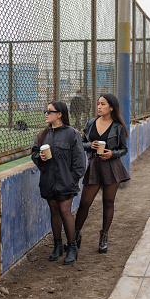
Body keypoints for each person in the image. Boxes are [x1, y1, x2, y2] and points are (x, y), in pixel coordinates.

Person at [74, 93, 130, 254]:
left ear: (111, 107)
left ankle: (104, 236)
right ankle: (75, 236)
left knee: (108, 202)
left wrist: (112, 154)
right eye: (98, 103)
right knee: (85, 203)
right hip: (94, 166)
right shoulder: (91, 123)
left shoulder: (118, 127)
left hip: (112, 167)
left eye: (103, 104)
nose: (99, 106)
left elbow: (123, 149)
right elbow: (81, 143)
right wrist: (90, 145)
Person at [31, 101, 85, 265]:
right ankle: (57, 245)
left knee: (64, 210)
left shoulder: (71, 133)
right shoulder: (43, 134)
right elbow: (34, 152)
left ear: (60, 114)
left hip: (65, 181)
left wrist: (72, 179)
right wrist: (38, 157)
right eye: (46, 111)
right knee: (54, 210)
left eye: (50, 111)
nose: (46, 113)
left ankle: (72, 247)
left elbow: (80, 161)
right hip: (48, 180)